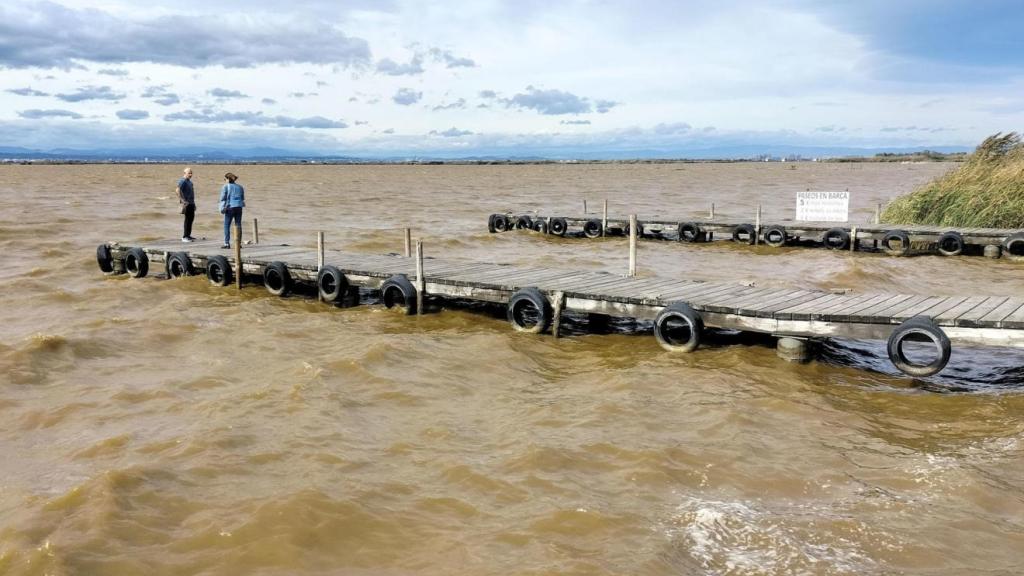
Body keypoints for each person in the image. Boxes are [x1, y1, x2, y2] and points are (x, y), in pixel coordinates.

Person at [219, 172, 246, 249]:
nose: (224, 180)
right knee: (238, 225)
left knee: (226, 225)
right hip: (239, 207)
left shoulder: (225, 187)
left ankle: (227, 244)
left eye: (225, 179)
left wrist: (222, 206)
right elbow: (242, 198)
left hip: (230, 207)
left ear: (228, 179)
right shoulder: (240, 187)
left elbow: (222, 198)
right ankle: (238, 243)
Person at [176, 167, 196, 242]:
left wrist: (194, 204)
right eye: (189, 173)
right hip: (186, 204)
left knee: (191, 219)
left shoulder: (190, 182)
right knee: (187, 220)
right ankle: (184, 237)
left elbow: (191, 193)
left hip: (191, 203)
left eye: (191, 173)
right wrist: (182, 200)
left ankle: (188, 235)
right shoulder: (183, 181)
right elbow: (177, 190)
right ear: (184, 173)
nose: (190, 174)